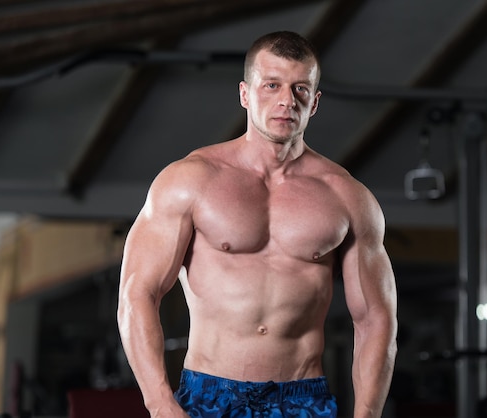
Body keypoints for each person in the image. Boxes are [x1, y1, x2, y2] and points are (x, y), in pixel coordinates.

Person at [117, 31, 397, 418]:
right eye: (272, 85)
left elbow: (375, 318)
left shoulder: (347, 197)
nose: (286, 100)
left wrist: (367, 414)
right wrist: (161, 404)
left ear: (314, 103)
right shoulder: (190, 181)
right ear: (246, 94)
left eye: (300, 88)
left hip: (302, 397)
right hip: (207, 396)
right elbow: (137, 294)